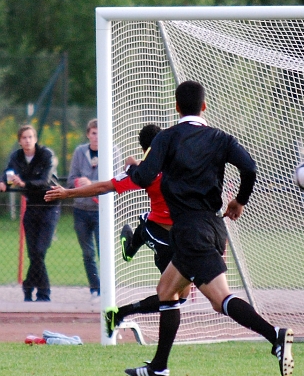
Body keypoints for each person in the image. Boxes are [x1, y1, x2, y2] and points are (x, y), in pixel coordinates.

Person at [122, 80, 293, 376]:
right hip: (213, 227)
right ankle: (159, 368)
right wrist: (240, 200)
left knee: (220, 300)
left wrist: (133, 168)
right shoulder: (220, 138)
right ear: (204, 106)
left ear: (176, 107)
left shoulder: (167, 138)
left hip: (190, 231)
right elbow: (250, 168)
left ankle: (275, 336)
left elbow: (146, 176)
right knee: (167, 290)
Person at [45, 124, 188, 336]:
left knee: (179, 296)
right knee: (171, 295)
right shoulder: (163, 169)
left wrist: (132, 163)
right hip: (161, 235)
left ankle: (119, 312)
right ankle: (131, 246)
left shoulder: (145, 169)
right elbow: (104, 186)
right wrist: (68, 193)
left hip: (176, 234)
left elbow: (110, 181)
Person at [0, 125, 61, 302]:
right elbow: (8, 172)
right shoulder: (17, 156)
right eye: (24, 137)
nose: (28, 140)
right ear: (19, 140)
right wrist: (3, 181)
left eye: (31, 136)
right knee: (33, 253)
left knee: (40, 251)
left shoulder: (46, 155)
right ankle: (36, 291)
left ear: (35, 138)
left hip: (49, 206)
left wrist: (23, 184)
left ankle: (35, 288)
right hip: (32, 206)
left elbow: (45, 180)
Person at [68, 119, 101, 299]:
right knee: (88, 252)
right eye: (93, 133)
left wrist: (92, 184)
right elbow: (71, 178)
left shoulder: (112, 151)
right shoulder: (80, 152)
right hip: (81, 209)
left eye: (100, 133)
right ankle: (95, 288)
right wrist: (78, 183)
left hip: (101, 211)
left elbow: (116, 177)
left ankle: (107, 289)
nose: (96, 137)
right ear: (88, 134)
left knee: (104, 251)